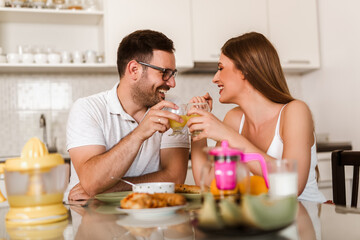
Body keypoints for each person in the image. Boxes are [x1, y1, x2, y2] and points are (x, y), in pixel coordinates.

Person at [187, 32, 326, 203]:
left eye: (221, 68)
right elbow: (208, 182)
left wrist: (228, 136)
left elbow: (292, 186)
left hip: (303, 220)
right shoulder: (234, 119)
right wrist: (197, 128)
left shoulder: (295, 111)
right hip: (260, 221)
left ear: (245, 70)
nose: (215, 78)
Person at [65, 30, 190, 201]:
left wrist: (111, 188)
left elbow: (174, 178)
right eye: (164, 73)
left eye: (173, 74)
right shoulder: (88, 109)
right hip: (93, 219)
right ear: (134, 70)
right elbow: (92, 181)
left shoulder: (172, 109)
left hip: (151, 218)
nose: (172, 83)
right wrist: (139, 134)